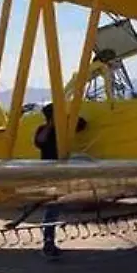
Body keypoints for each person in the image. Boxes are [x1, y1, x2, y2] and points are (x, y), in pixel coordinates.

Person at [33, 102, 86, 259]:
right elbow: (40, 141)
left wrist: (67, 118)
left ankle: (49, 242)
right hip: (50, 174)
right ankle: (48, 244)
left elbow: (83, 123)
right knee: (52, 209)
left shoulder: (65, 129)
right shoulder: (43, 130)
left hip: (62, 172)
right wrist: (51, 126)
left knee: (56, 208)